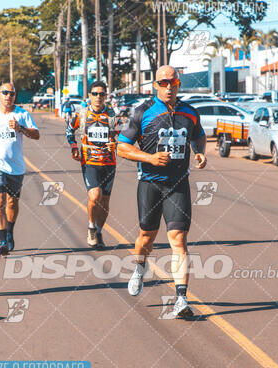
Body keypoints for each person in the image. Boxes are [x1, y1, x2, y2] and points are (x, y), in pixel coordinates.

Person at [117, 65, 207, 319]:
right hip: (150, 183)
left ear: (179, 84)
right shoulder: (143, 112)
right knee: (147, 236)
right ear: (155, 85)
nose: (168, 87)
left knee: (178, 239)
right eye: (163, 83)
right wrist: (149, 157)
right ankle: (139, 267)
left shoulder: (190, 113)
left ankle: (181, 298)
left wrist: (199, 151)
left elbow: (199, 136)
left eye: (173, 82)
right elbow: (122, 148)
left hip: (178, 183)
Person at [0, 82, 40, 255]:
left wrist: (21, 128)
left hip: (17, 167)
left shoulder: (22, 114)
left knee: (12, 202)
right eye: (5, 92)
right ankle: (2, 241)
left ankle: (10, 232)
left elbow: (36, 135)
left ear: (15, 96)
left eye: (12, 93)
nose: (8, 96)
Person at [66, 80, 116, 249]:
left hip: (109, 163)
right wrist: (74, 146)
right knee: (95, 196)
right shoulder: (81, 114)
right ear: (89, 96)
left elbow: (125, 137)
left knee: (105, 202)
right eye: (95, 94)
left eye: (102, 94)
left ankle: (99, 231)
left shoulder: (112, 115)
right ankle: (91, 227)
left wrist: (115, 144)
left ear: (106, 96)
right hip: (89, 162)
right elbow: (69, 130)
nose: (98, 97)